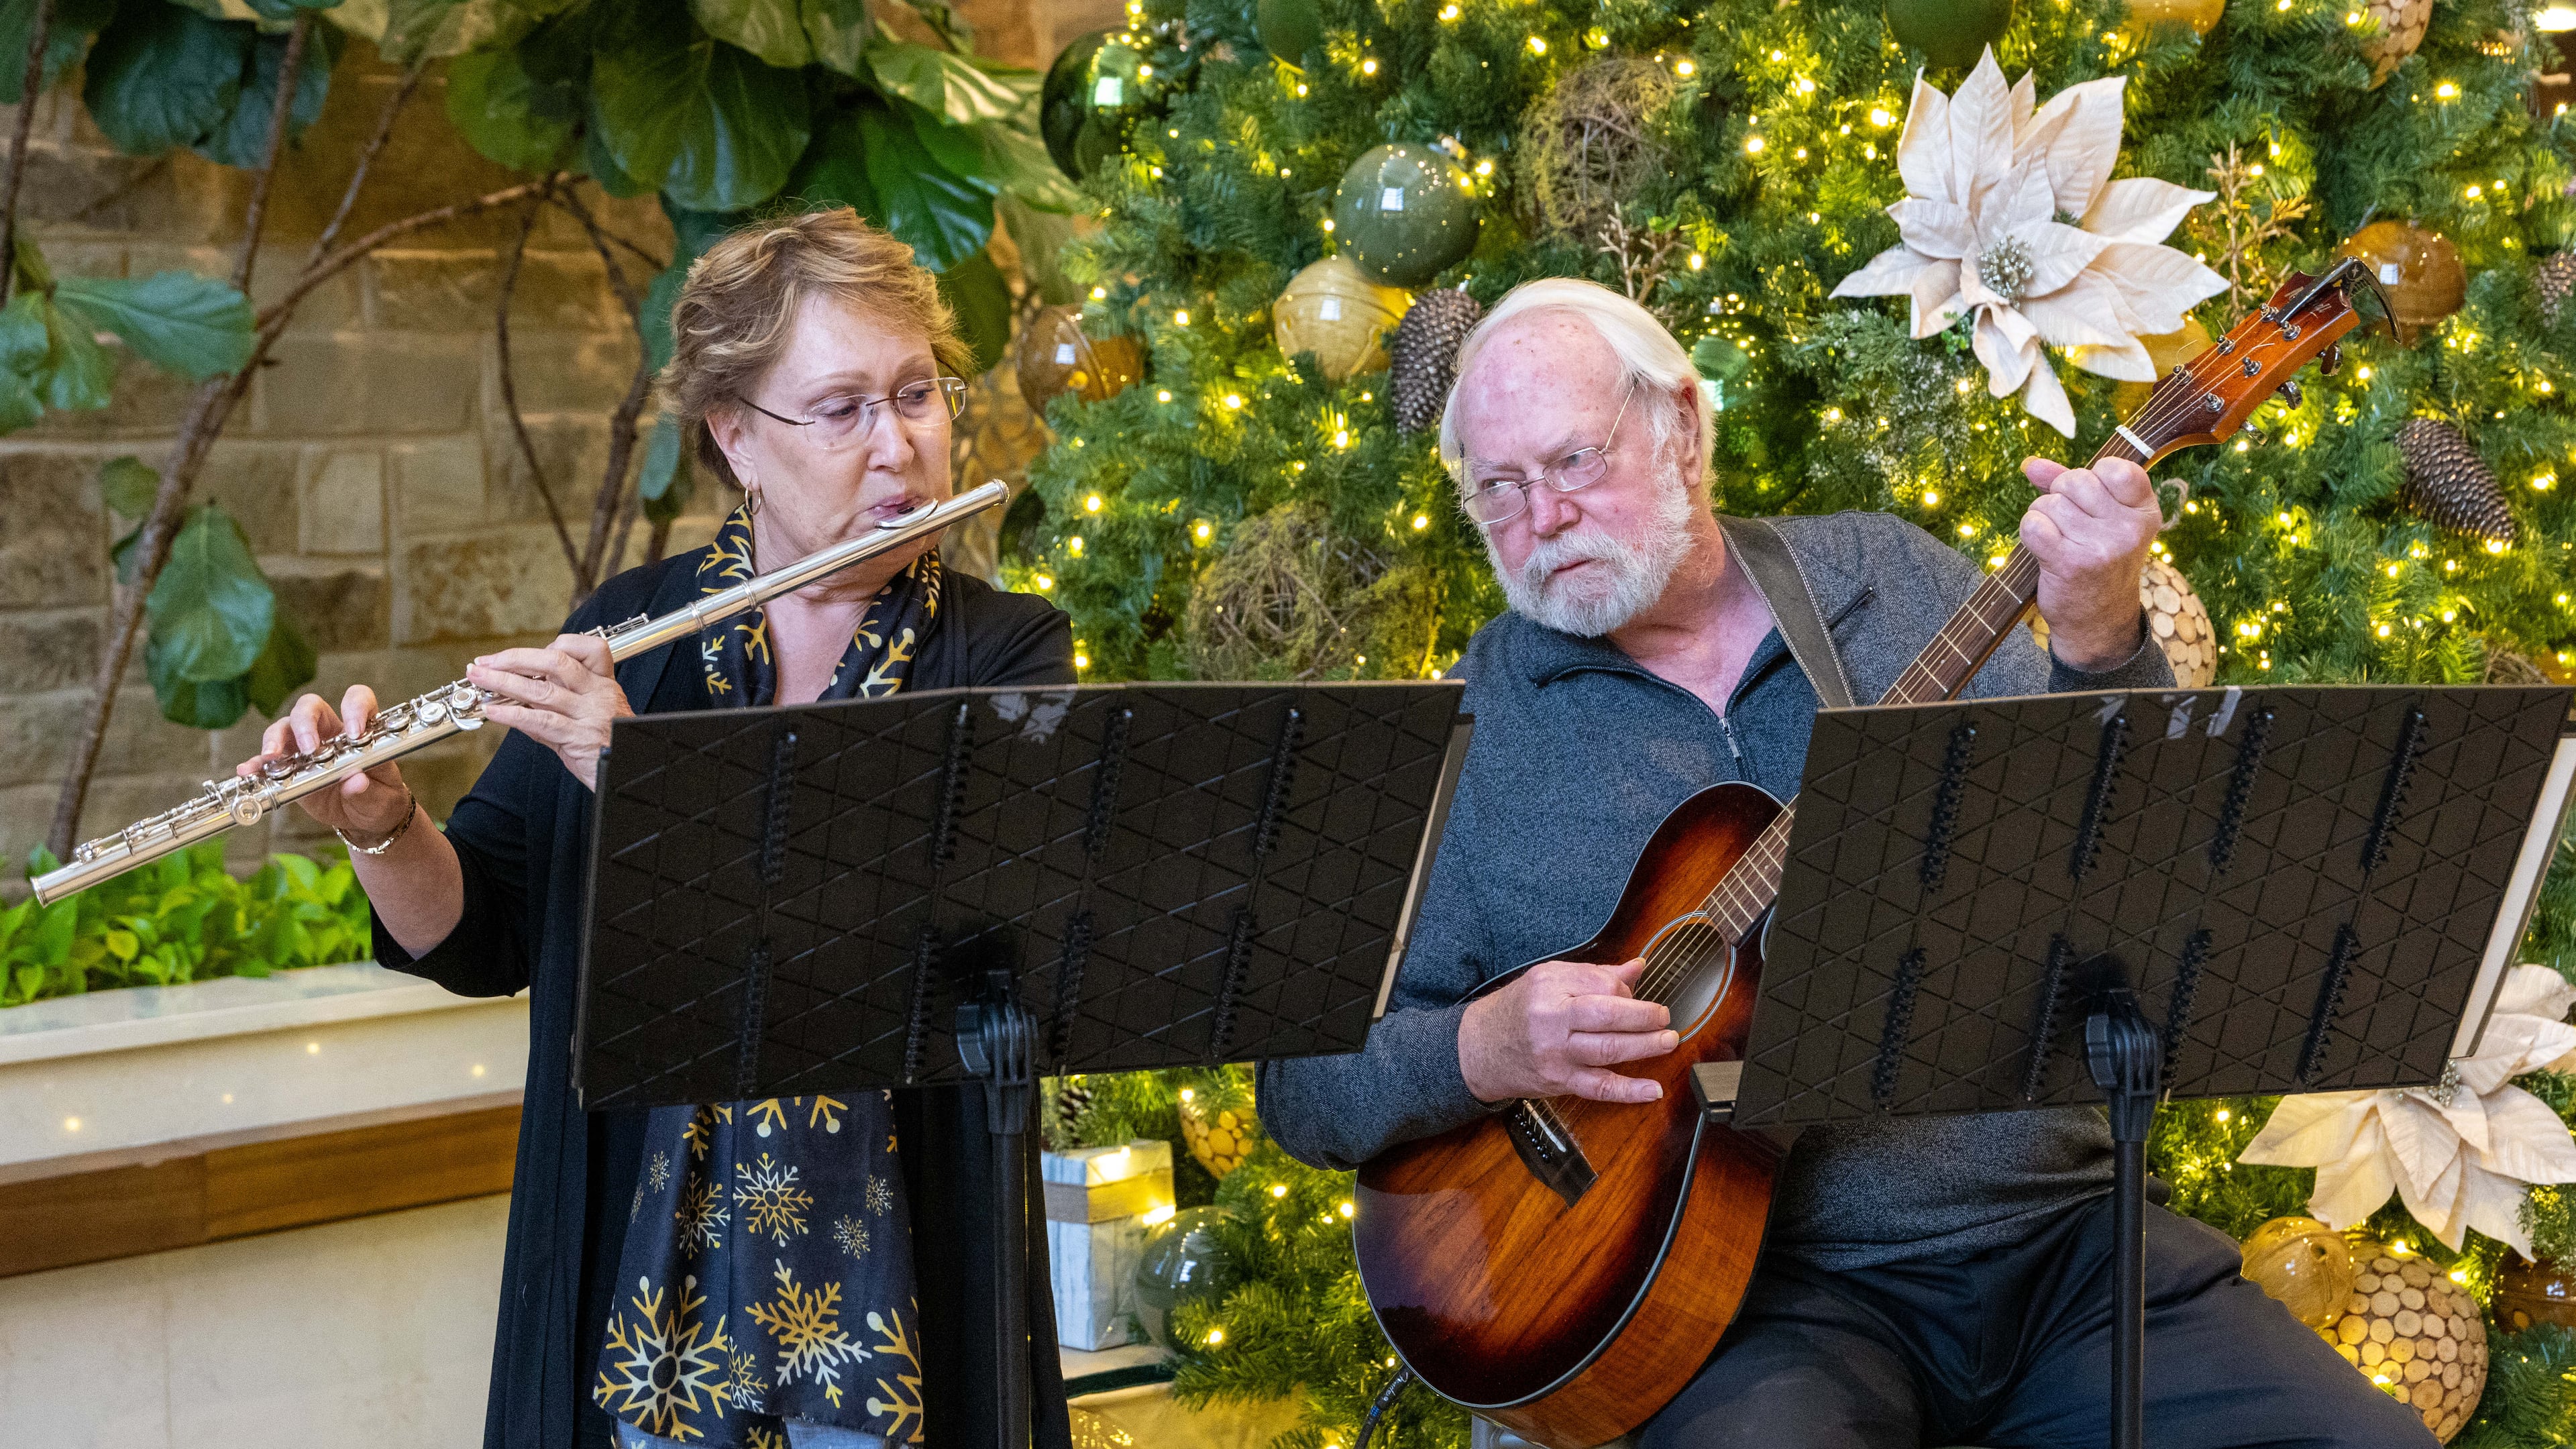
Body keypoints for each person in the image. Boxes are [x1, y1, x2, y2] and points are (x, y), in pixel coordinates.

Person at [1254, 278, 2434, 1449]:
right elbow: (1300, 1081)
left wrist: (2096, 639)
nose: (1542, 518)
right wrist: (1484, 1044)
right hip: (1758, 1303)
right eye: (1497, 490)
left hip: (2060, 1245)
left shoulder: (1886, 580)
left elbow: (2126, 845)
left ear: (1683, 429)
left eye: (1572, 462)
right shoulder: (1476, 731)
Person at [244, 209, 1076, 1449]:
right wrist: (379, 827)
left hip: (907, 1282)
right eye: (842, 407)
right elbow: (481, 933)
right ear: (736, 435)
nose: (900, 444)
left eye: (918, 393)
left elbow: (909, 943)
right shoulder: (635, 625)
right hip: (636, 1279)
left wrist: (637, 766)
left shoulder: (1004, 653)